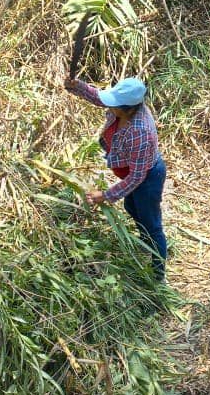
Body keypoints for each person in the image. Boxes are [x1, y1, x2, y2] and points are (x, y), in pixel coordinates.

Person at [64, 76, 167, 281]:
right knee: (132, 207)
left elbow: (137, 177)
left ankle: (158, 274)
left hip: (148, 179)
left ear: (129, 108)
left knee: (151, 222)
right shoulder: (122, 108)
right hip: (133, 174)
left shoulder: (141, 133)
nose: (109, 108)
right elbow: (99, 98)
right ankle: (146, 243)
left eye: (114, 106)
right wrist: (78, 87)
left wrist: (105, 195)